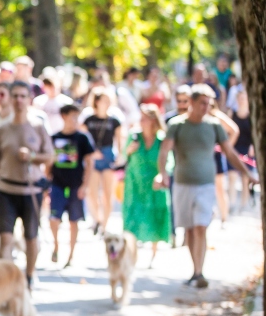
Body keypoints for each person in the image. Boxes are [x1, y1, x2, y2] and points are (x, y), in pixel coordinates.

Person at [155, 85, 255, 288]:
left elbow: (229, 152)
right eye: (201, 103)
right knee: (190, 230)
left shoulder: (214, 125)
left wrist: (247, 174)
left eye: (208, 104)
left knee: (202, 225)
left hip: (206, 184)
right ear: (191, 103)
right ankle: (195, 270)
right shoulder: (177, 125)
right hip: (183, 183)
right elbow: (164, 151)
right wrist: (162, 173)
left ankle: (200, 272)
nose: (205, 107)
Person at [0, 81, 53, 286]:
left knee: (31, 236)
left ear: (29, 99)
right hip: (5, 189)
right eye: (15, 96)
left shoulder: (38, 127)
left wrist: (32, 156)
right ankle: (6, 281)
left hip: (31, 190)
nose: (19, 100)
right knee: (5, 238)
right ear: (10, 99)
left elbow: (50, 156)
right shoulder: (2, 130)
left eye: (23, 96)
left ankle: (29, 276)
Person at [122, 105, 172, 264]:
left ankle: (154, 255)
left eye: (145, 118)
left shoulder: (162, 139)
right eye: (141, 118)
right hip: (135, 183)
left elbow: (169, 160)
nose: (141, 121)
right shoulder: (134, 136)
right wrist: (130, 149)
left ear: (153, 120)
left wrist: (162, 174)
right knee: (133, 216)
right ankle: (132, 255)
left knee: (155, 215)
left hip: (154, 183)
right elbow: (123, 155)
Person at [48, 105, 96, 267]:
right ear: (64, 116)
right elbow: (49, 159)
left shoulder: (83, 138)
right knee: (54, 218)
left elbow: (90, 163)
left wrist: (85, 185)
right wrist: (47, 177)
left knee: (74, 220)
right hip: (57, 184)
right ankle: (56, 246)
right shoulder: (54, 137)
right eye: (72, 116)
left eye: (77, 116)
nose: (75, 120)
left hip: (76, 184)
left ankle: (71, 255)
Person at [80, 87, 124, 234]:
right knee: (92, 193)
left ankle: (104, 225)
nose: (106, 103)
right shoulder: (88, 120)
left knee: (107, 193)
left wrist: (120, 157)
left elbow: (119, 140)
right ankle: (97, 219)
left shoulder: (114, 121)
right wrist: (90, 154)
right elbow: (82, 138)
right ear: (97, 102)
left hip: (108, 157)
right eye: (103, 100)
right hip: (93, 157)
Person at [231, 90, 255, 211]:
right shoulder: (232, 114)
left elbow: (256, 134)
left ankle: (243, 205)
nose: (242, 101)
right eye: (240, 98)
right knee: (232, 176)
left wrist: (252, 145)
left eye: (244, 98)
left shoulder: (252, 116)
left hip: (247, 148)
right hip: (234, 148)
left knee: (246, 178)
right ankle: (233, 203)